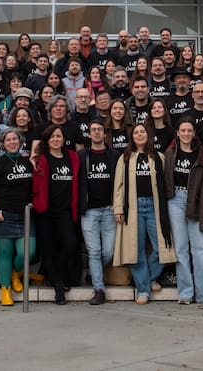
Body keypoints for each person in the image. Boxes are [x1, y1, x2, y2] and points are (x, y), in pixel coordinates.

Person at [113, 123, 175, 304]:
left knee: (163, 246)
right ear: (132, 137)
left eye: (143, 132)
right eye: (136, 133)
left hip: (155, 207)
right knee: (135, 250)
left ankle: (149, 278)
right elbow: (119, 186)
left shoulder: (159, 157)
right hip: (133, 208)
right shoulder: (125, 158)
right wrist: (118, 208)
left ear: (148, 135)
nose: (139, 135)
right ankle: (143, 290)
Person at [163, 121, 203, 304]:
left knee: (201, 248)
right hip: (175, 200)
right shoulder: (170, 154)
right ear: (177, 133)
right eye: (183, 130)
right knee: (181, 249)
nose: (186, 133)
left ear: (194, 133)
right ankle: (185, 293)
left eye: (189, 131)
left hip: (197, 200)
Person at [0, 128, 35, 306]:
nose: (12, 142)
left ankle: (15, 273)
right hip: (3, 215)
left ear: (20, 142)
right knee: (5, 253)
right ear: (3, 144)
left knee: (27, 252)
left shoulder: (29, 161)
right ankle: (6, 290)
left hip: (26, 215)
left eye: (15, 139)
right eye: (8, 140)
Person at [31, 125, 80, 305]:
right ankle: (58, 288)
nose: (56, 139)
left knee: (71, 244)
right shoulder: (41, 159)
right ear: (47, 140)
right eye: (52, 136)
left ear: (63, 139)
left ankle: (54, 275)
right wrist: (38, 204)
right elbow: (36, 186)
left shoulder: (72, 157)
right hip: (45, 211)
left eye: (58, 136)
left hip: (65, 211)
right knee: (49, 250)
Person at [79, 120, 119, 305]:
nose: (96, 132)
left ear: (105, 134)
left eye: (99, 130)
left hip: (109, 210)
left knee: (108, 252)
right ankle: (98, 289)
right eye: (92, 130)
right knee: (94, 252)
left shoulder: (115, 156)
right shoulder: (81, 156)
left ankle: (94, 274)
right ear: (89, 134)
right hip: (89, 212)